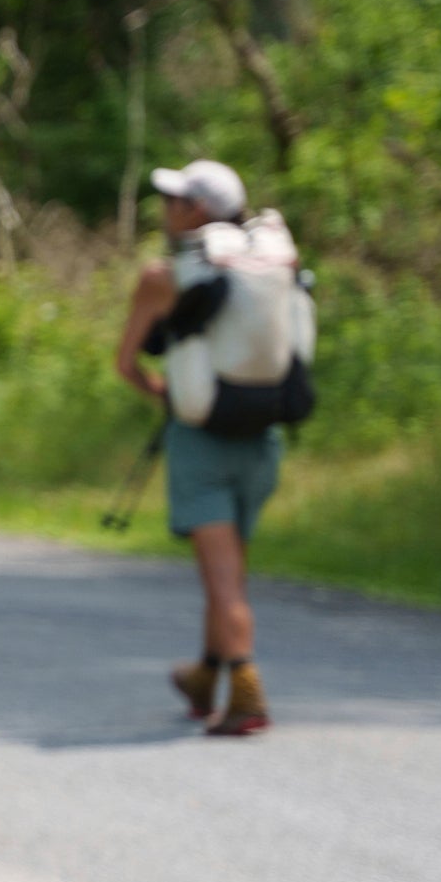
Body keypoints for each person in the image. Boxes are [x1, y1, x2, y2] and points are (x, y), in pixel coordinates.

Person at [114, 159, 291, 736]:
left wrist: (165, 391)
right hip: (264, 437)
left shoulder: (162, 277)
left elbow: (127, 364)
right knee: (230, 569)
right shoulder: (272, 266)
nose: (165, 211)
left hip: (202, 442)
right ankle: (204, 674)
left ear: (195, 212)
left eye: (173, 201)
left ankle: (245, 689)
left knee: (222, 581)